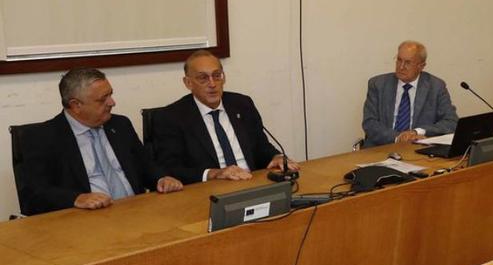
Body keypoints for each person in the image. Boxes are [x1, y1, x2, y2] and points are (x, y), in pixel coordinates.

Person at [15, 68, 182, 215]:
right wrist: (76, 198)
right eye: (103, 99)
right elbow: (35, 194)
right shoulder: (43, 137)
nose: (112, 102)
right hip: (87, 223)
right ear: (76, 105)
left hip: (135, 212)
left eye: (111, 94)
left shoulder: (120, 125)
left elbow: (146, 166)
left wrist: (161, 178)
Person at [152, 50, 297, 184]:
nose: (212, 84)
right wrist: (213, 173)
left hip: (252, 182)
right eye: (203, 78)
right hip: (208, 193)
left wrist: (275, 157)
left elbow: (261, 147)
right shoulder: (171, 117)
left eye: (216, 75)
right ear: (188, 83)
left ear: (224, 77)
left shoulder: (242, 104)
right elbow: (169, 168)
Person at [362, 40, 458, 146]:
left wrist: (418, 132)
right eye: (399, 60)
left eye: (407, 62)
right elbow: (369, 123)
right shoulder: (378, 84)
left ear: (421, 66)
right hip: (382, 147)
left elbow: (451, 122)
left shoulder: (436, 86)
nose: (401, 66)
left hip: (418, 148)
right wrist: (398, 137)